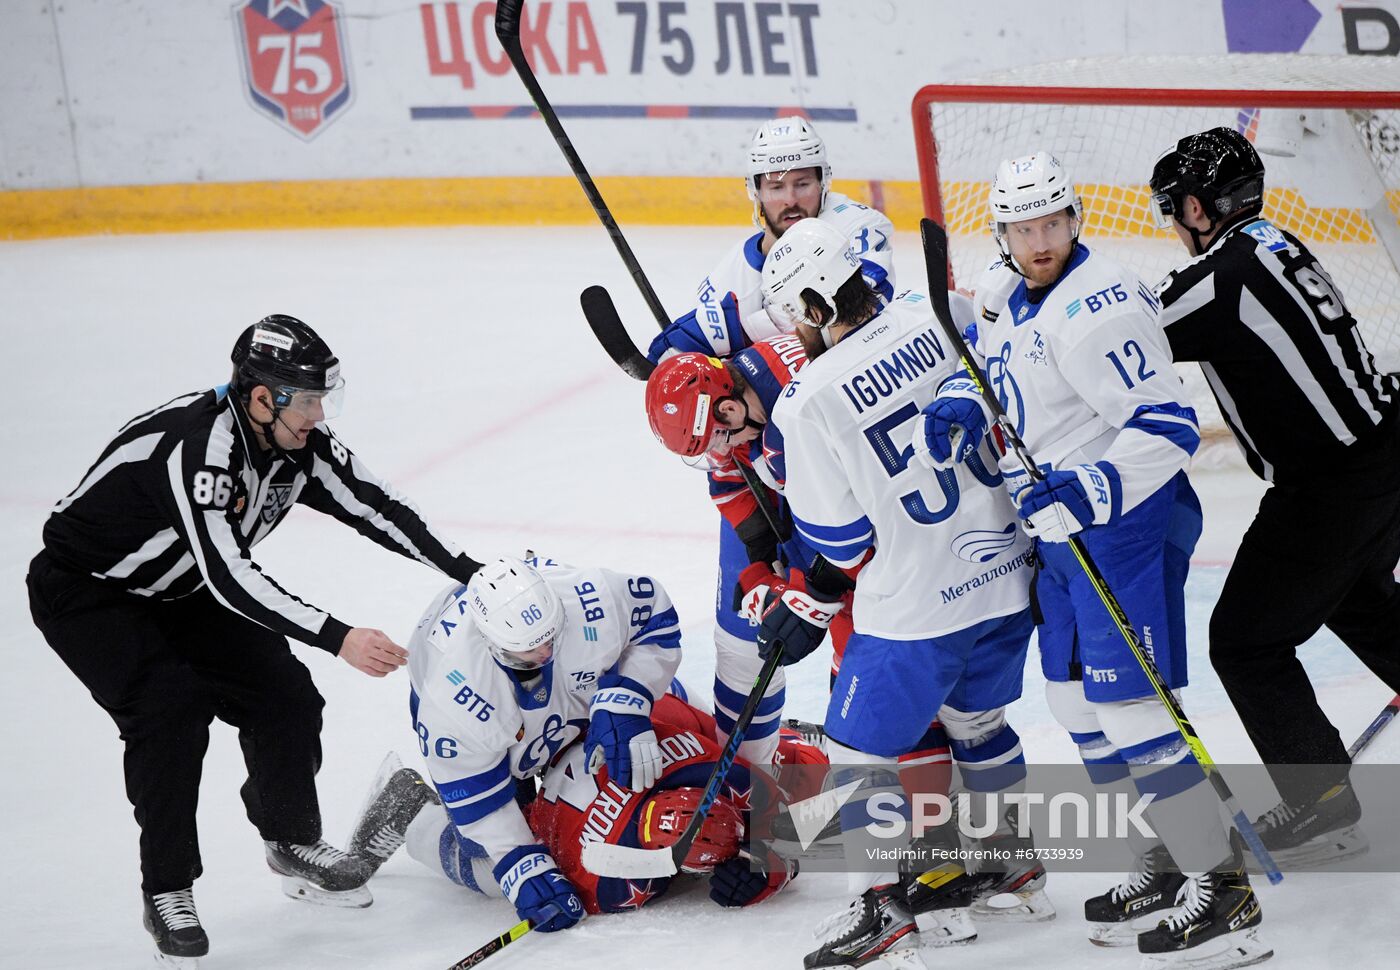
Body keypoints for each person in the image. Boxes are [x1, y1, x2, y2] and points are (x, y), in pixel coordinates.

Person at [25, 315, 485, 966]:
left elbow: (377, 507)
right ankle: (168, 891)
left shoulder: (301, 446)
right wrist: (339, 636)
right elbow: (230, 575)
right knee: (169, 712)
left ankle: (290, 838)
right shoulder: (199, 449)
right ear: (261, 397)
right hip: (89, 595)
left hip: (179, 591)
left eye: (328, 396)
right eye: (309, 399)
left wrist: (473, 571)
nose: (321, 414)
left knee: (285, 696)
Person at [912, 152, 1270, 967]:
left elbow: (1171, 429)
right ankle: (1166, 856)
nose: (1041, 242)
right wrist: (964, 400)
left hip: (1124, 526)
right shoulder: (1007, 293)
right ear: (1002, 235)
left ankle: (1225, 889)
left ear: (1075, 219)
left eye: (1052, 224)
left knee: (1132, 712)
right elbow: (997, 367)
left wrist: (1089, 490)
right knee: (1073, 704)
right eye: (1024, 228)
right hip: (1063, 535)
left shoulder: (1100, 308)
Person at [759, 219, 1039, 969]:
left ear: (815, 306)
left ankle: (880, 912)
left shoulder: (805, 402)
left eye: (794, 318)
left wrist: (810, 595)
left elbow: (844, 544)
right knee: (979, 724)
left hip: (918, 606)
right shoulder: (936, 314)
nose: (794, 335)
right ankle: (1011, 862)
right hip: (1009, 576)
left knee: (853, 751)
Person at [1150, 125, 1400, 866]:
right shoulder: (1274, 242)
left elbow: (1120, 333)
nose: (1172, 224)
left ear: (1200, 208)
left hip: (1334, 485)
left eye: (1177, 208)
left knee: (1246, 641)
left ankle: (1322, 801)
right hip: (1382, 452)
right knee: (1358, 599)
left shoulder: (1219, 282)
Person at [394, 555, 684, 935]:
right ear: (493, 645)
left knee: (667, 722)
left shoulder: (589, 598)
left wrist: (630, 694)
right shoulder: (453, 698)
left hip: (579, 690)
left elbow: (656, 622)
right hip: (495, 743)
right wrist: (520, 863)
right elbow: (481, 802)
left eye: (550, 636)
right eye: (529, 649)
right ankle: (413, 815)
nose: (545, 651)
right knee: (500, 866)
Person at [349, 691, 820, 914]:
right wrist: (777, 867)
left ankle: (792, 739)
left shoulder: (706, 770)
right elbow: (812, 829)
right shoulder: (600, 876)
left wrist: (772, 863)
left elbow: (778, 809)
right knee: (498, 874)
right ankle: (411, 811)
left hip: (604, 723)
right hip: (536, 740)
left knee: (748, 748)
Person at [647, 115, 896, 362]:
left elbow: (858, 298)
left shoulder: (857, 225)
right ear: (757, 193)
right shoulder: (731, 274)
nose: (790, 199)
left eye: (802, 184)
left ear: (823, 183)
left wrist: (741, 329)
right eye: (776, 187)